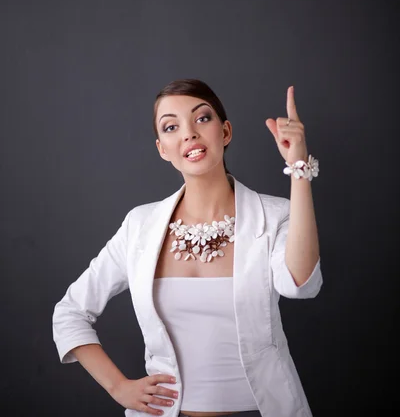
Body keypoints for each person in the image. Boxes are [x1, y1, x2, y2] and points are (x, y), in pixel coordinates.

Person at [52, 78, 322, 417]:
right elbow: (70, 312)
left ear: (225, 132)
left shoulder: (275, 214)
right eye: (170, 127)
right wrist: (118, 387)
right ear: (163, 149)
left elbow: (299, 284)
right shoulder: (141, 226)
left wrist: (299, 170)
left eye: (202, 118)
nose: (189, 134)